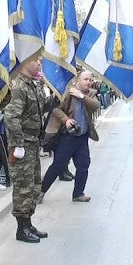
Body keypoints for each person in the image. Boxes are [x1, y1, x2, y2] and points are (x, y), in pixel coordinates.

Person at [4, 56, 49, 243]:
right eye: (35, 59)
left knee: (33, 185)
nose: (39, 63)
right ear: (24, 62)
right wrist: (18, 144)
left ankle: (28, 223)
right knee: (23, 187)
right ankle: (21, 228)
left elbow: (38, 110)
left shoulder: (34, 85)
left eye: (40, 60)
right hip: (23, 144)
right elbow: (11, 117)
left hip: (33, 142)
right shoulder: (19, 86)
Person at [40, 70, 99, 203]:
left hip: (82, 138)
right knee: (57, 166)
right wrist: (66, 120)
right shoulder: (67, 93)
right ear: (77, 80)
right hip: (67, 138)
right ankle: (41, 191)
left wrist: (82, 96)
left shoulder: (90, 94)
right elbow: (55, 108)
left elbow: (96, 105)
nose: (88, 82)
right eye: (85, 79)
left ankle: (78, 193)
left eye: (90, 80)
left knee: (83, 166)